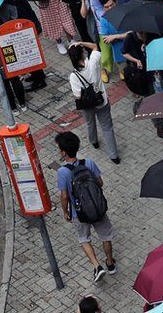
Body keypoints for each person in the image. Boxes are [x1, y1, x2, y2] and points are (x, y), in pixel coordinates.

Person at [55, 131, 117, 282]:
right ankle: (110, 263)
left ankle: (97, 266)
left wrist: (65, 212)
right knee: (105, 236)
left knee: (84, 238)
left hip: (79, 213)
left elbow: (64, 196)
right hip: (97, 208)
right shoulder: (88, 163)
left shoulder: (63, 172)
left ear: (63, 152)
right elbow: (100, 183)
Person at [68, 43, 120, 163]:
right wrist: (81, 42)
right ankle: (114, 156)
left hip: (87, 106)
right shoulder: (93, 63)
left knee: (90, 123)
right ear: (82, 53)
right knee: (107, 128)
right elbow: (95, 47)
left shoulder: (73, 76)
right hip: (101, 101)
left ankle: (94, 141)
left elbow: (77, 95)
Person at [95, 0, 127, 80]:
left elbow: (133, 32)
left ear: (116, 2)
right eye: (106, 7)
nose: (110, 8)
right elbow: (106, 39)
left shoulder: (125, 12)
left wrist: (115, 37)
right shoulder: (104, 19)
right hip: (120, 54)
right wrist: (122, 36)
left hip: (133, 49)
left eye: (111, 5)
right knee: (127, 75)